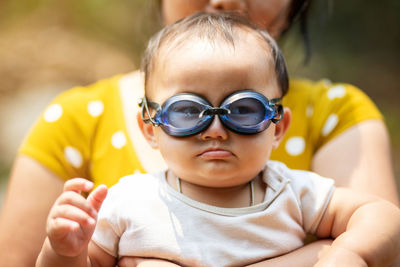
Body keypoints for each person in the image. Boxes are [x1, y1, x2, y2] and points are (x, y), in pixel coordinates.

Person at [1, 0, 398, 266]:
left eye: (243, 110)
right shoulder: (127, 201)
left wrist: (348, 254)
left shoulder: (291, 190)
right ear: (149, 128)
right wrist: (62, 250)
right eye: (187, 112)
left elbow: (381, 217)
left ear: (278, 126)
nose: (215, 130)